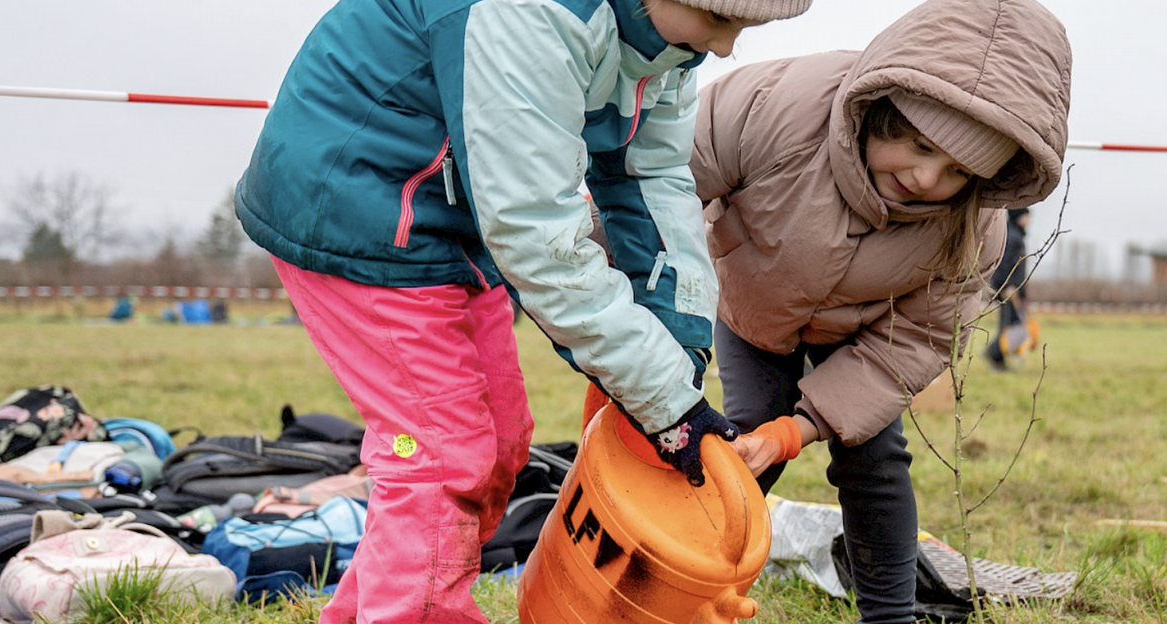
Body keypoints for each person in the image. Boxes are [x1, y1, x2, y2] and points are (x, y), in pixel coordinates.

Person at [231, 0, 810, 622]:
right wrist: (668, 407)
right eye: (721, 25)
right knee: (443, 458)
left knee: (502, 446)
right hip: (358, 210)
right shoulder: (530, 11)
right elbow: (538, 235)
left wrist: (680, 343)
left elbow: (654, 176)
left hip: (451, 216)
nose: (724, 49)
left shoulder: (669, 43)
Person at [691, 0, 1071, 621]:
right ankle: (691, 578)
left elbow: (915, 343)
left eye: (957, 171)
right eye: (919, 145)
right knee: (742, 442)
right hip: (756, 303)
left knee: (875, 462)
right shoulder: (776, 104)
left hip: (864, 333)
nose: (925, 179)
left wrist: (804, 427)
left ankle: (889, 614)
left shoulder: (975, 233)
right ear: (885, 107)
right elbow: (665, 182)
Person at [985, 206, 1030, 370]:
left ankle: (999, 355)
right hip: (1008, 290)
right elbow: (1004, 265)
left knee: (1010, 323)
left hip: (1011, 289)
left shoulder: (1013, 234)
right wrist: (1008, 286)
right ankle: (994, 353)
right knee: (1009, 324)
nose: (1029, 220)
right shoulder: (1013, 237)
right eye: (1027, 216)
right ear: (1020, 217)